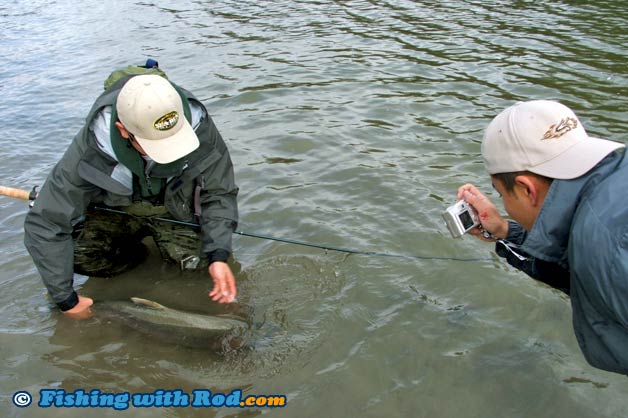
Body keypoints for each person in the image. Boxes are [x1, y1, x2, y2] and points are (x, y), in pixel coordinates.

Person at [24, 64, 239, 320]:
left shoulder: (200, 128)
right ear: (122, 130)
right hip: (117, 212)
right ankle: (137, 257)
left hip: (174, 209)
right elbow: (46, 221)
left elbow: (219, 193)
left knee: (200, 266)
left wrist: (219, 254)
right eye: (153, 145)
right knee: (77, 256)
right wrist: (66, 299)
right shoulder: (91, 148)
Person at [456, 100, 627, 375]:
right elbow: (580, 268)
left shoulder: (610, 249)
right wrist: (504, 231)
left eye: (502, 195)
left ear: (526, 189)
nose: (505, 205)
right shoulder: (611, 190)